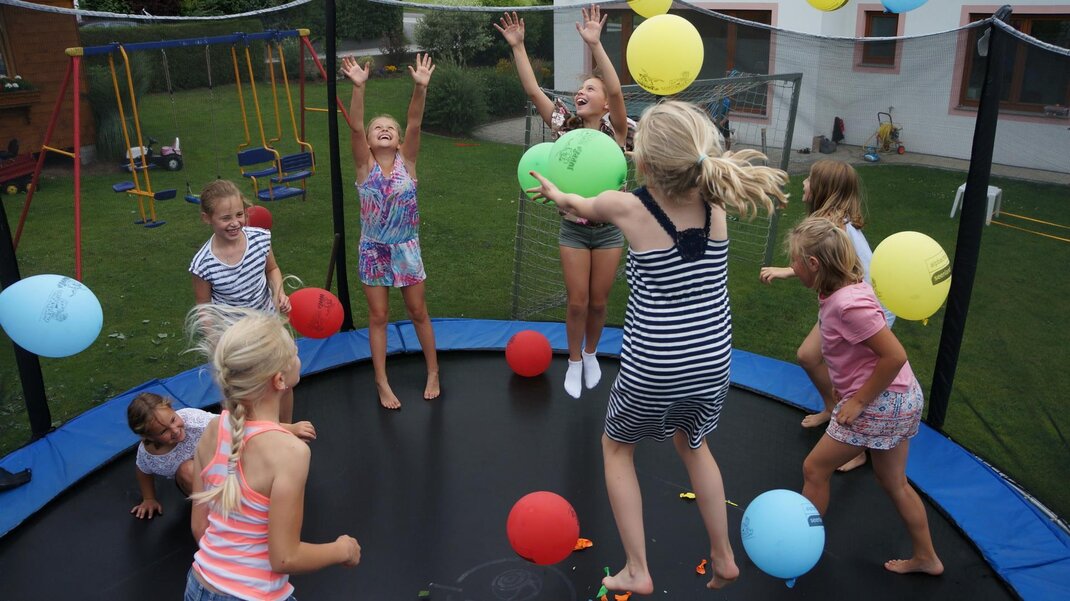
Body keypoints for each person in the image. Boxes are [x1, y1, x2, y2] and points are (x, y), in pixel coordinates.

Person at [529, 100, 788, 593]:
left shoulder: (627, 206)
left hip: (656, 362)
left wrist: (555, 190)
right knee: (694, 444)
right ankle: (723, 556)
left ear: (643, 163)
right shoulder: (716, 205)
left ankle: (638, 568)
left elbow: (577, 206)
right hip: (714, 357)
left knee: (616, 448)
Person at [789, 217, 943, 577]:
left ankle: (799, 548)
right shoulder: (845, 291)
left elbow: (894, 355)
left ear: (813, 264)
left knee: (815, 468)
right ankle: (927, 557)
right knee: (894, 481)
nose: (792, 267)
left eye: (795, 260)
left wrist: (857, 400)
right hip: (901, 397)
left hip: (882, 403)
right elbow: (856, 353)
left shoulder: (848, 305)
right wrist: (846, 387)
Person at [496, 5, 633, 399]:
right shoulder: (565, 129)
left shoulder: (615, 131)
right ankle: (574, 361)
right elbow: (533, 91)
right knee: (577, 303)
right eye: (580, 90)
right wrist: (518, 47)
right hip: (573, 230)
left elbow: (617, 90)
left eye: (590, 89)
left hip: (608, 232)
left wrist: (595, 44)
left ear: (604, 104)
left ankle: (591, 354)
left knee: (599, 303)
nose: (581, 93)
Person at [184, 305, 361, 600]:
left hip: (199, 585)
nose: (298, 357)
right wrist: (342, 549)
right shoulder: (290, 452)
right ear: (279, 380)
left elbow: (200, 527)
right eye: (294, 352)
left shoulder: (214, 429)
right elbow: (285, 558)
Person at [759, 159, 893, 471]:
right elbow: (818, 262)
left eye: (809, 179)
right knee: (808, 355)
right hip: (847, 302)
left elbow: (839, 269)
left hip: (867, 309)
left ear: (823, 190)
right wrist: (788, 270)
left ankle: (854, 445)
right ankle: (834, 409)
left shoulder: (839, 230)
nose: (804, 183)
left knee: (851, 376)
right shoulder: (830, 224)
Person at [341, 53, 440, 410]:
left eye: (390, 129)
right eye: (377, 128)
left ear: (398, 141)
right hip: (373, 250)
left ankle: (433, 371)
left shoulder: (407, 163)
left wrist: (420, 88)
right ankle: (381, 381)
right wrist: (359, 87)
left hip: (406, 248)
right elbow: (355, 126)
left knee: (418, 311)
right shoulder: (363, 167)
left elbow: (414, 122)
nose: (384, 129)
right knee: (379, 316)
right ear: (368, 142)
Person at [189, 179, 315, 439]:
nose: (235, 222)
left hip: (269, 327)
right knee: (241, 395)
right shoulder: (203, 264)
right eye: (225, 218)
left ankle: (285, 431)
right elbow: (204, 306)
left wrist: (279, 293)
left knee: (284, 381)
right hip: (237, 339)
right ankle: (242, 439)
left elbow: (272, 269)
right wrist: (215, 342)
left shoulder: (259, 239)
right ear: (206, 218)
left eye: (239, 214)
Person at [127, 392, 213, 519]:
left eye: (173, 420)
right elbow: (143, 470)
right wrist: (149, 498)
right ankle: (217, 510)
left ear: (172, 409)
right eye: (163, 431)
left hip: (226, 463)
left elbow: (229, 426)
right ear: (149, 437)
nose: (175, 430)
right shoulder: (149, 455)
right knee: (187, 470)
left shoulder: (195, 420)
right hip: (200, 484)